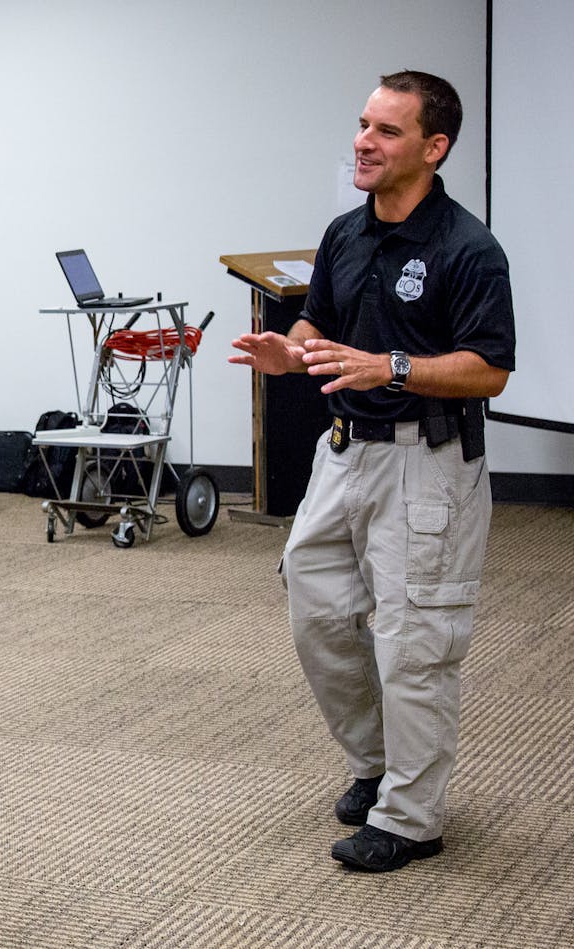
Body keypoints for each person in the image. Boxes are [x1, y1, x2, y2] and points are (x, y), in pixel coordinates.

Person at [230, 70, 515, 873]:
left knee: (413, 642)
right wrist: (292, 352)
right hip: (344, 454)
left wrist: (391, 366)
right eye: (363, 123)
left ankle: (413, 816)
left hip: (428, 466)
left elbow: (490, 370)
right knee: (319, 617)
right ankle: (378, 762)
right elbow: (319, 322)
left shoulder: (468, 248)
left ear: (433, 148)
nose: (363, 140)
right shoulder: (345, 234)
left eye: (387, 131)